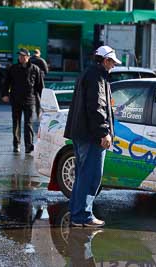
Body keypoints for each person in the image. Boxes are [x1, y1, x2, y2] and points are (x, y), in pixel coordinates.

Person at [64, 45, 120, 228]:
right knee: (91, 176)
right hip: (91, 136)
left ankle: (76, 212)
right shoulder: (97, 77)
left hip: (82, 134)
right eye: (112, 62)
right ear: (105, 60)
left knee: (82, 175)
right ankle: (83, 215)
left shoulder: (87, 73)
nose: (113, 66)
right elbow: (97, 107)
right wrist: (104, 132)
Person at [1, 48, 44, 153]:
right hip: (16, 99)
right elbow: (6, 83)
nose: (21, 57)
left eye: (23, 56)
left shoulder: (35, 69)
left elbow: (40, 86)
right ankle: (16, 144)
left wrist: (43, 100)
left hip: (30, 100)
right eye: (19, 56)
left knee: (28, 124)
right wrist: (5, 94)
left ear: (28, 57)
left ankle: (29, 146)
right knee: (16, 123)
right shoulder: (13, 68)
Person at [30, 49, 49, 118]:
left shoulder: (29, 60)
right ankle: (38, 113)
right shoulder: (41, 60)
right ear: (39, 53)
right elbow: (46, 71)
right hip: (39, 81)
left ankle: (30, 113)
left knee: (30, 96)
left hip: (30, 81)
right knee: (39, 96)